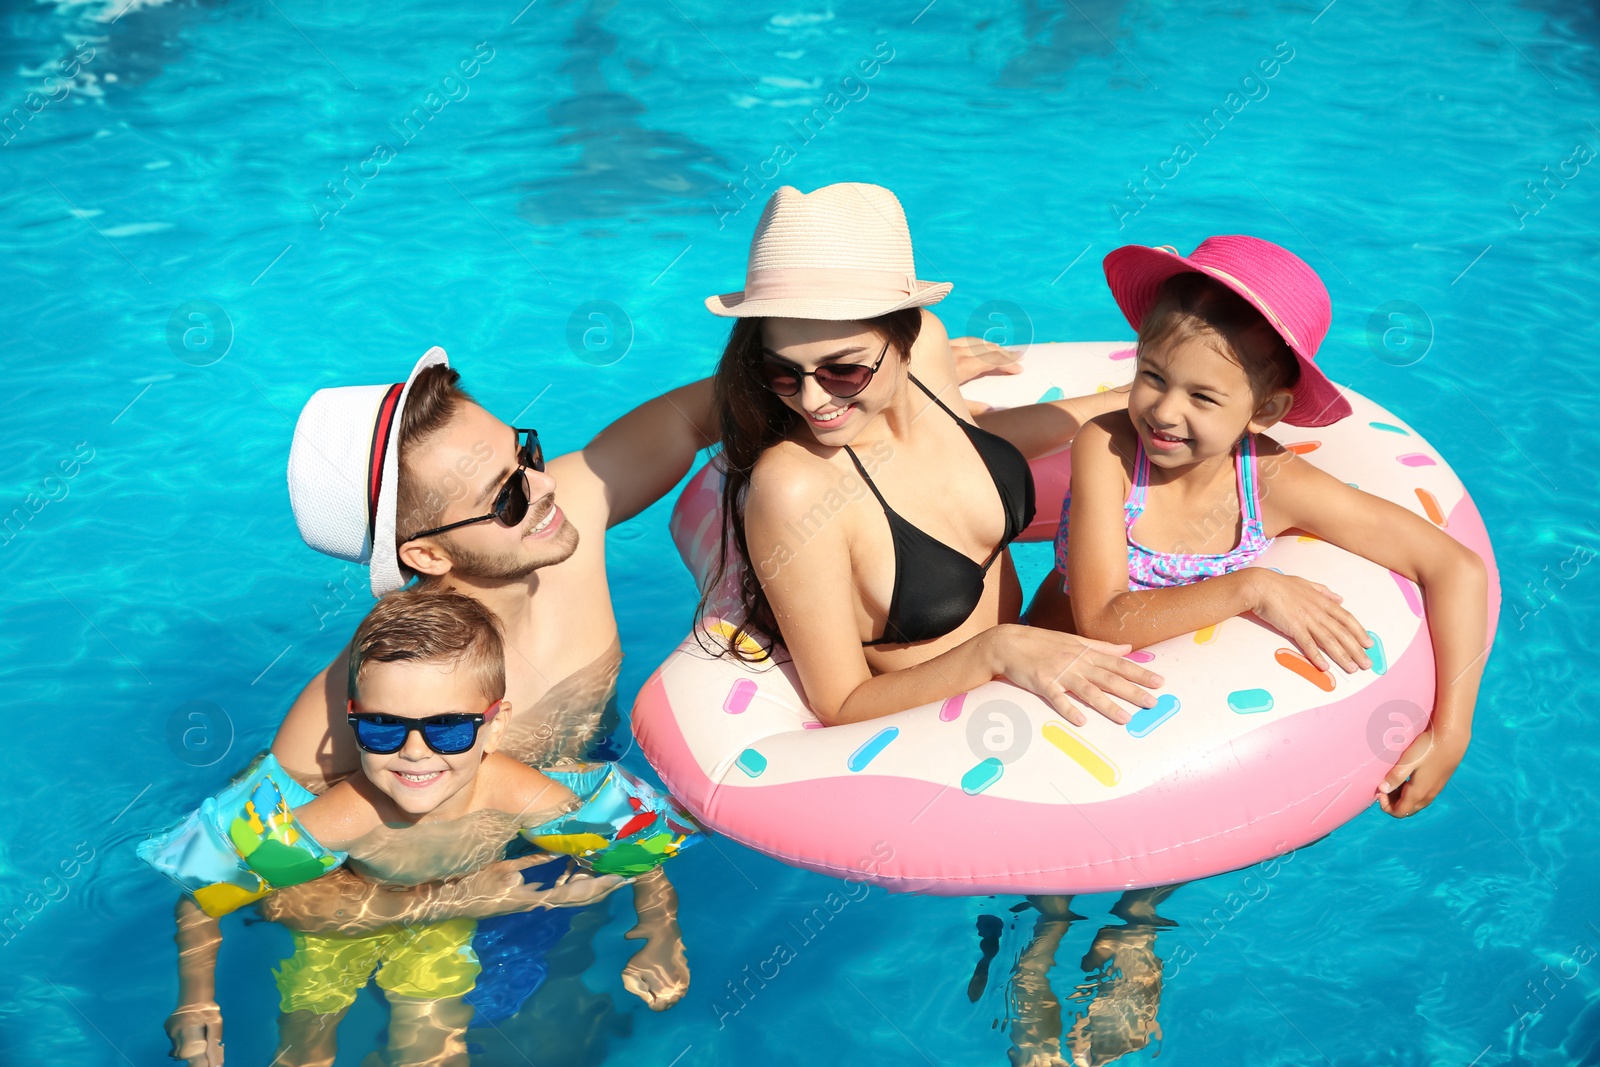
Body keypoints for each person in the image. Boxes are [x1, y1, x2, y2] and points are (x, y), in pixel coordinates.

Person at [1030, 236, 1488, 818]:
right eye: (1153, 376)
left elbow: (1456, 567)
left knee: (1150, 883)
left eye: (1202, 396)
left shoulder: (1270, 482)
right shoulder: (1109, 446)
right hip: (1051, 685)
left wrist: (1452, 732)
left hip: (1168, 726)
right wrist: (1254, 587)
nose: (1165, 412)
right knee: (1052, 900)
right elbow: (1099, 619)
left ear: (1265, 410)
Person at [161, 589, 698, 1066]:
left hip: (438, 932)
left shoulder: (514, 791)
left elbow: (634, 843)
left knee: (435, 1050)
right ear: (353, 719)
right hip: (344, 921)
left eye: (447, 729)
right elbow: (204, 890)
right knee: (306, 1045)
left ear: (495, 725)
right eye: (381, 727)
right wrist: (196, 1001)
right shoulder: (348, 815)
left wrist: (660, 931)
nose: (414, 753)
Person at [702, 182, 1163, 724]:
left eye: (843, 370)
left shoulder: (925, 350)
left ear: (902, 337)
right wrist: (998, 650)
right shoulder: (796, 487)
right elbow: (841, 702)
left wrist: (1128, 402)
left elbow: (961, 443)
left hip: (1036, 651)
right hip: (941, 727)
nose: (812, 399)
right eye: (780, 371)